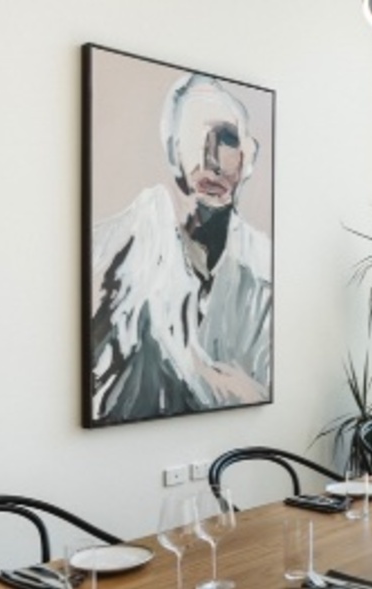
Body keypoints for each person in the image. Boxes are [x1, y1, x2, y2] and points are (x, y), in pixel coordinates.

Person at [90, 73, 272, 426]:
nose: (211, 159)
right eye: (195, 140)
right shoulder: (115, 253)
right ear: (173, 152)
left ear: (250, 156)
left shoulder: (262, 268)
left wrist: (192, 366)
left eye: (228, 139)